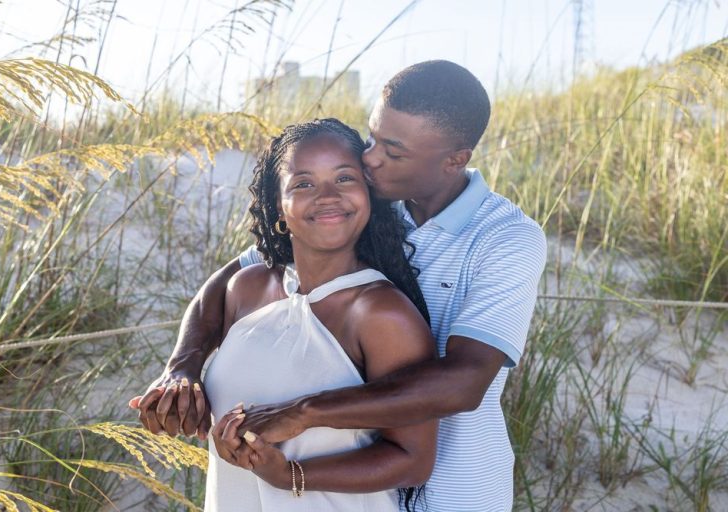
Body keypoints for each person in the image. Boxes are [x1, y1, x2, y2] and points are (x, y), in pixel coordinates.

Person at [130, 60, 547, 511]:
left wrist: (303, 413)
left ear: (454, 160)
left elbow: (464, 383)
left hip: (454, 489)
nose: (369, 158)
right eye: (372, 137)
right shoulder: (366, 202)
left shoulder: (505, 239)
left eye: (393, 150)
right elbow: (229, 281)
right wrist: (183, 365)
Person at [141, 118, 439, 511]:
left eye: (345, 178)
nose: (328, 195)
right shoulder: (246, 289)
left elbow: (413, 461)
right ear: (278, 207)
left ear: (369, 196)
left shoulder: (382, 313)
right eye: (303, 183)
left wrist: (291, 475)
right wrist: (179, 402)